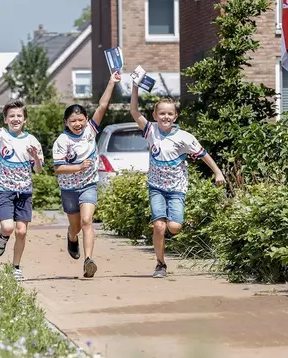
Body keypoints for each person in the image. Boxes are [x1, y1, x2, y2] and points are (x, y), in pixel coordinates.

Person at [129, 83, 226, 278]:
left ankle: (166, 227)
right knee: (159, 226)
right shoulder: (151, 131)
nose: (165, 117)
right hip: (156, 187)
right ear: (155, 116)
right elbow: (133, 110)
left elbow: (203, 154)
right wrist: (134, 87)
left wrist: (218, 172)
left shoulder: (185, 137)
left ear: (176, 117)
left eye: (169, 114)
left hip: (176, 189)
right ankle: (160, 264)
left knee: (174, 227)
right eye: (161, 113)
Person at [53, 71, 122, 278]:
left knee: (87, 221)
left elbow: (102, 106)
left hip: (88, 185)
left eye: (81, 119)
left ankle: (88, 260)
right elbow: (58, 168)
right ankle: (71, 238)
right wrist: (78, 167)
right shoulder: (61, 141)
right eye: (73, 121)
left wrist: (111, 82)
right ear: (66, 122)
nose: (78, 124)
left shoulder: (90, 131)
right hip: (69, 189)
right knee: (75, 227)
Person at [0, 95, 44, 281]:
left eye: (19, 116)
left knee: (21, 231)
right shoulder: (1, 136)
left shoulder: (33, 141)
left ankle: (16, 267)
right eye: (11, 116)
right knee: (8, 227)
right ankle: (3, 237)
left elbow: (38, 170)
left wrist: (36, 157)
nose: (15, 119)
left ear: (25, 119)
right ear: (5, 119)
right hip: (4, 189)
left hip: (25, 192)